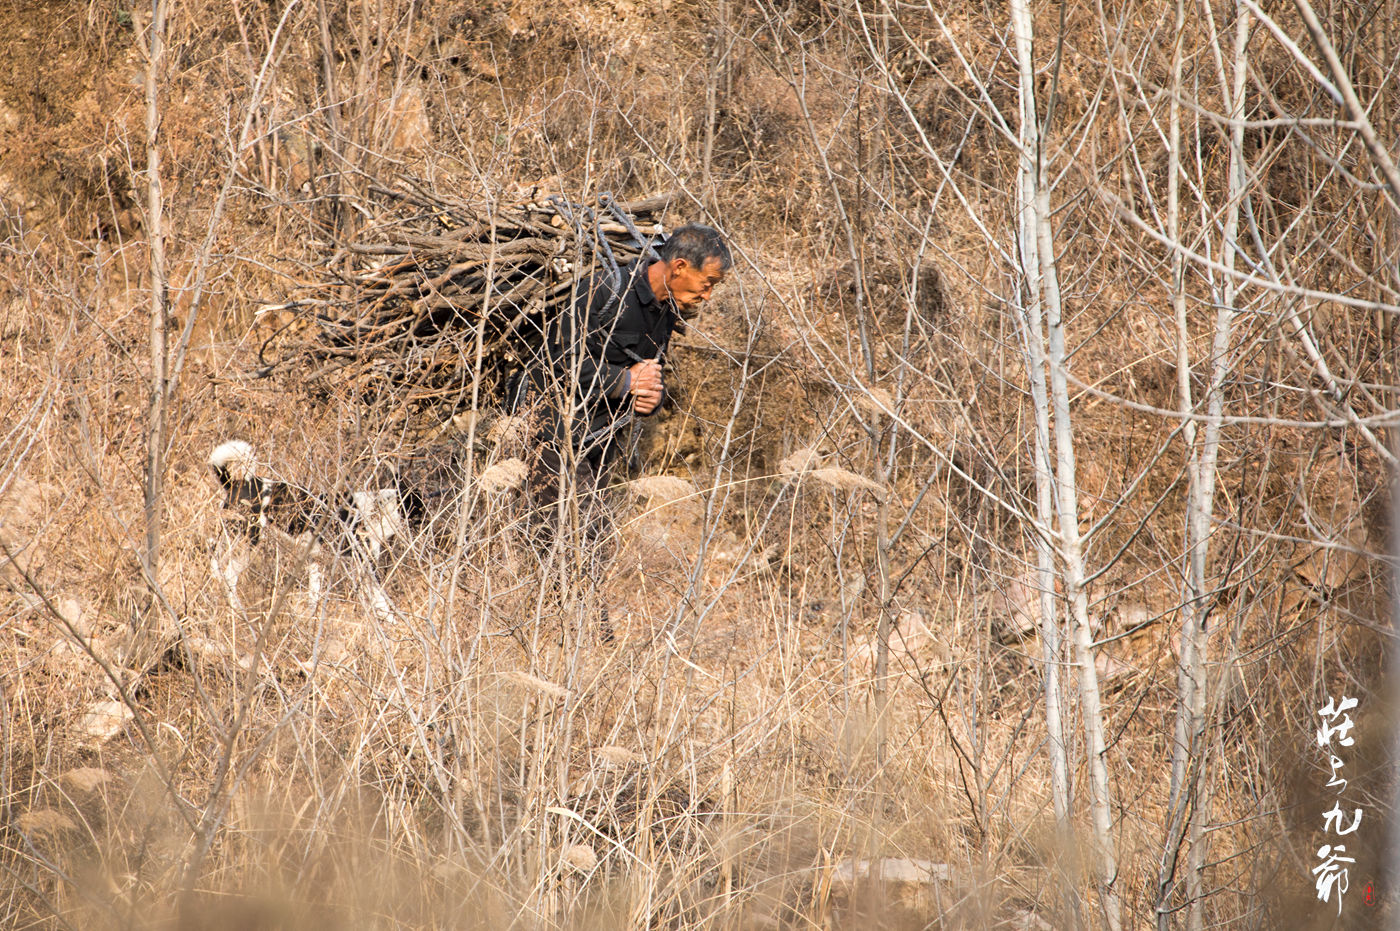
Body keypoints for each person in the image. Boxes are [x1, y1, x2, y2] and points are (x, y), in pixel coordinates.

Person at [524, 222, 732, 567]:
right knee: (562, 539)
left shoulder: (666, 311)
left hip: (601, 441)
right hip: (554, 435)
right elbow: (559, 359)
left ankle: (583, 617)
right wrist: (623, 382)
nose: (708, 295)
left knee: (594, 539)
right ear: (679, 266)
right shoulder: (604, 290)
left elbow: (649, 372)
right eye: (707, 283)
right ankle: (558, 616)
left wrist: (653, 400)